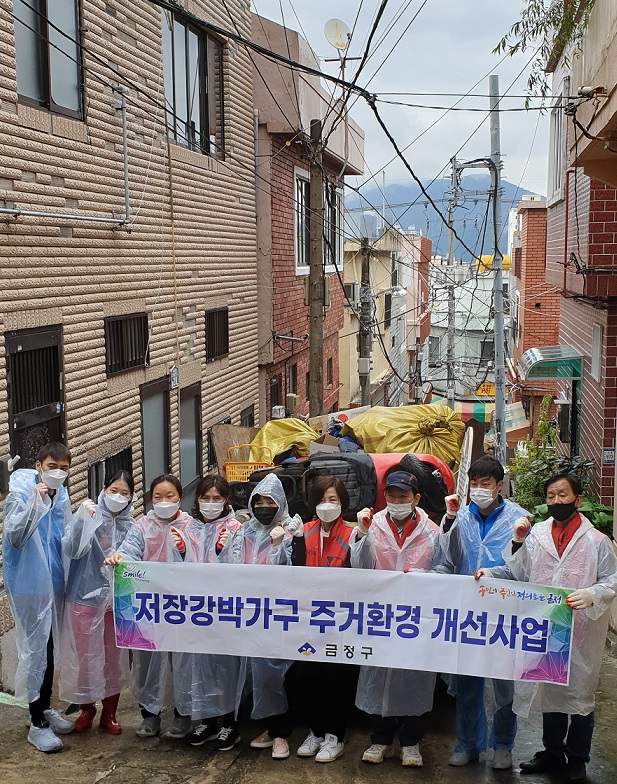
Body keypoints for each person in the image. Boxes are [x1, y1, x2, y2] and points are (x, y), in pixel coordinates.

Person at [476, 473, 617, 784]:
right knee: (550, 690)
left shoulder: (597, 542)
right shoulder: (537, 534)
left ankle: (578, 758)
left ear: (578, 500)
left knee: (579, 695)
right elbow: (518, 570)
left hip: (580, 630)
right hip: (545, 626)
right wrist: (513, 545)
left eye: (563, 495)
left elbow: (612, 579)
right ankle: (553, 752)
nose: (556, 501)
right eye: (551, 496)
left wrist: (592, 594)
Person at [437, 455, 528, 769]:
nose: (478, 490)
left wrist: (496, 574)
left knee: (505, 683)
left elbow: (524, 568)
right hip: (469, 612)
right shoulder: (460, 517)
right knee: (468, 682)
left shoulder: (518, 518)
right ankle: (468, 744)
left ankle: (503, 746)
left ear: (499, 485)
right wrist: (447, 521)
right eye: (473, 484)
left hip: (504, 610)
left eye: (484, 484)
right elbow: (446, 557)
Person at [351, 469, 441, 768]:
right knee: (380, 673)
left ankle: (411, 742)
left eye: (403, 496)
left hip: (416, 616)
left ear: (416, 499)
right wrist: (361, 536)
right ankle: (380, 739)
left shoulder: (432, 531)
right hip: (380, 613)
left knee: (414, 676)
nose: (397, 501)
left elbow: (444, 568)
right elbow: (359, 568)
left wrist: (422, 577)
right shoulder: (372, 525)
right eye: (391, 495)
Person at [104, 473, 194, 738]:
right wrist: (119, 557)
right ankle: (150, 715)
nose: (164, 501)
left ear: (180, 497)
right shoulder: (142, 526)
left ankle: (182, 715)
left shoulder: (192, 526)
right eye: (157, 497)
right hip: (149, 607)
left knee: (183, 662)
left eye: (170, 496)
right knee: (147, 661)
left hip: (181, 607)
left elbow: (202, 560)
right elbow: (129, 551)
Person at [2, 442, 74, 752]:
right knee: (35, 652)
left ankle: (45, 707)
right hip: (29, 584)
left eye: (64, 467)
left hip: (54, 582)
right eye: (52, 466)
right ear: (38, 464)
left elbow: (65, 535)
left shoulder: (62, 494)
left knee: (49, 650)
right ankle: (36, 724)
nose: (58, 472)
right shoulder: (22, 491)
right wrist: (35, 503)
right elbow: (15, 537)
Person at [59, 470, 135, 735]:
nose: (118, 497)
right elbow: (71, 550)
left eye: (124, 493)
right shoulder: (90, 516)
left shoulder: (131, 526)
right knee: (85, 659)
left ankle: (110, 713)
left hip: (117, 602)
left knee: (112, 659)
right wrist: (82, 520)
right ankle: (86, 709)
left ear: (131, 497)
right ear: (103, 489)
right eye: (114, 490)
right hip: (84, 598)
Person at [289, 475, 358, 763]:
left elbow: (361, 573)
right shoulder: (304, 531)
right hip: (308, 618)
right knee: (307, 678)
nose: (326, 505)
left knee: (336, 679)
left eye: (333, 500)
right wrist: (293, 542)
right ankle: (315, 731)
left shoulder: (354, 534)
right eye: (321, 500)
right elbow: (293, 572)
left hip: (340, 620)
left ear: (343, 503)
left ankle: (335, 735)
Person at [176, 475, 245, 752]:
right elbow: (175, 569)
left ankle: (230, 724)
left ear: (226, 500)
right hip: (195, 610)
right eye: (206, 498)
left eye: (217, 498)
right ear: (198, 500)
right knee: (199, 665)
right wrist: (178, 551)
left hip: (224, 610)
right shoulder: (187, 528)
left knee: (225, 667)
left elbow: (240, 568)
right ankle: (206, 721)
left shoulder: (235, 528)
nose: (211, 503)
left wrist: (222, 551)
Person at [241, 473, 294, 760]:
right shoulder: (246, 532)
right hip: (249, 613)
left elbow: (289, 572)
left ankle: (281, 733)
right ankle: (270, 729)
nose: (263, 506)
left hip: (278, 615)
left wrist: (279, 546)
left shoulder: (289, 530)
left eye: (270, 501)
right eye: (258, 500)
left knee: (276, 674)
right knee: (258, 674)